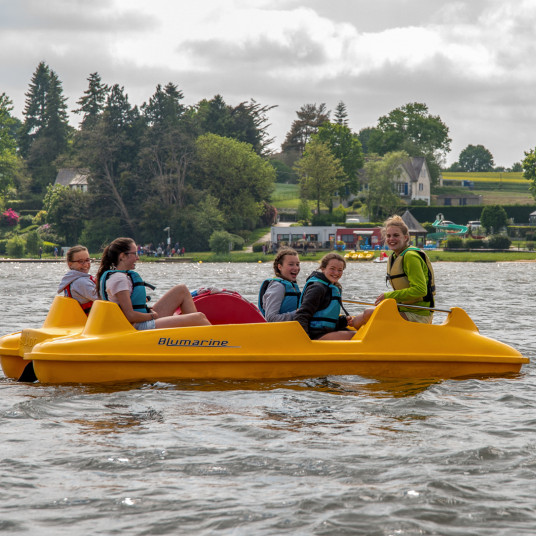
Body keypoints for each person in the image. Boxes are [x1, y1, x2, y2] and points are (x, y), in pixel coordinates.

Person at [96, 237, 210, 330]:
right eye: (135, 254)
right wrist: (152, 316)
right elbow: (129, 315)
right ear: (122, 256)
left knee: (181, 290)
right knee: (199, 317)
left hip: (140, 320)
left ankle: (194, 337)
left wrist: (148, 310)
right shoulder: (119, 279)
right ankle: (218, 345)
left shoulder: (120, 276)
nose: (138, 257)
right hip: (136, 326)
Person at [294, 253, 372, 340]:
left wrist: (343, 321)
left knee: (365, 325)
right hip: (315, 336)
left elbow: (326, 321)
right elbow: (301, 316)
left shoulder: (331, 287)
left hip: (327, 331)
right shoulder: (317, 288)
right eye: (332, 269)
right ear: (323, 268)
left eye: (340, 270)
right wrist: (305, 341)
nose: (336, 273)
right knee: (360, 337)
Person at [374, 215, 436, 324]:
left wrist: (388, 296)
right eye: (388, 236)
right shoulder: (394, 257)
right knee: (367, 315)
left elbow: (420, 290)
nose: (391, 239)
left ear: (406, 237)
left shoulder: (410, 256)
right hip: (404, 309)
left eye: (396, 235)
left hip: (419, 315)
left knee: (368, 316)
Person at [258, 247, 301, 322]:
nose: (296, 268)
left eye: (297, 264)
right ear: (280, 267)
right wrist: (297, 313)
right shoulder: (278, 287)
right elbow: (271, 318)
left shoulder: (291, 285)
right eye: (291, 264)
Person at [57, 245, 99, 314]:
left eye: (87, 260)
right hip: (89, 322)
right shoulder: (81, 282)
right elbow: (104, 298)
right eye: (81, 261)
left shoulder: (70, 280)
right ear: (70, 264)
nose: (85, 264)